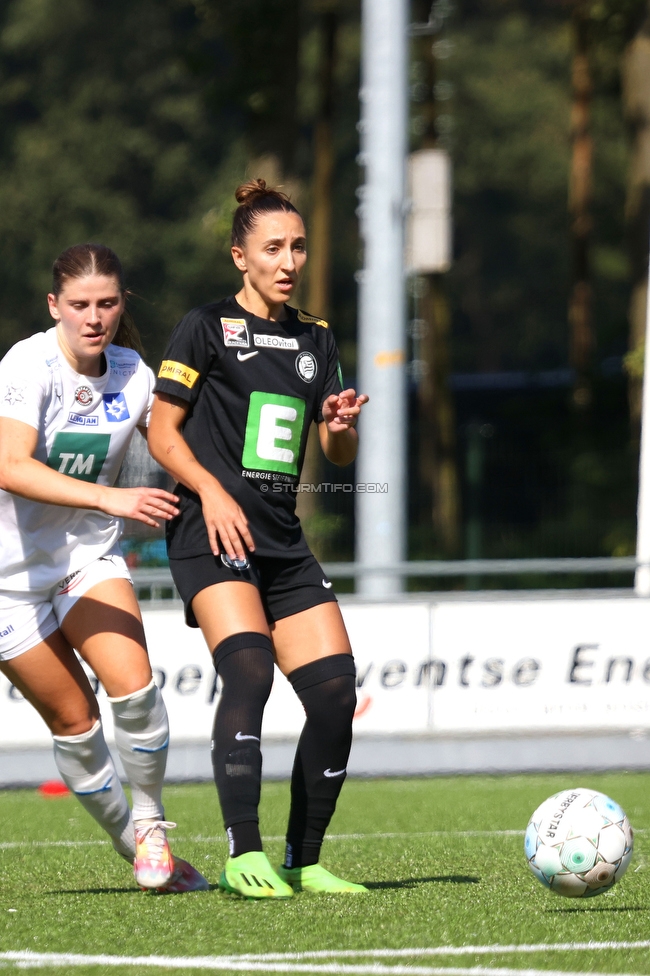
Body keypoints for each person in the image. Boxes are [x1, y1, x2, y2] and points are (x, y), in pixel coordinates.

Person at [149, 179, 369, 899]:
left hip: (282, 543)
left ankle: (304, 860)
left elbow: (335, 457)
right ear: (239, 254)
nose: (289, 260)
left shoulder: (317, 338)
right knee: (250, 673)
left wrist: (339, 429)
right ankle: (244, 852)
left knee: (335, 691)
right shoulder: (205, 327)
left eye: (297, 246)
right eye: (273, 247)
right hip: (210, 536)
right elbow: (161, 433)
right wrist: (210, 493)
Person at [0, 243, 208, 894]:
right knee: (76, 723)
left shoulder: (133, 373)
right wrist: (109, 496)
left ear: (123, 304)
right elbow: (9, 463)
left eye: (108, 303)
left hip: (86, 557)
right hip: (6, 578)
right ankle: (130, 843)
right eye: (81, 305)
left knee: (135, 688)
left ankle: (150, 826)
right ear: (54, 306)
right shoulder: (26, 365)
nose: (96, 318)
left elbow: (178, 444)